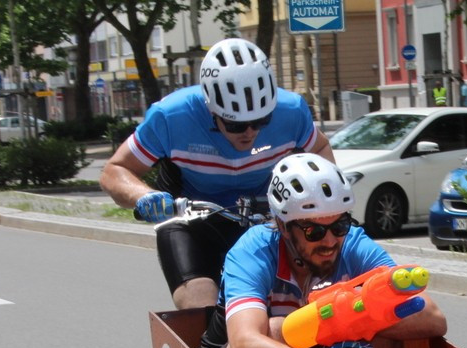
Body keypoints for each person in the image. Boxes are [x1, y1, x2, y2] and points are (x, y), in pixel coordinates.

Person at [100, 38, 335, 310]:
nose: (250, 132)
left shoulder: (291, 110)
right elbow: (114, 170)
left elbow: (319, 148)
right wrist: (144, 195)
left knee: (296, 298)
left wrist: (321, 200)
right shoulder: (171, 116)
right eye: (236, 124)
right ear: (212, 110)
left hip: (260, 216)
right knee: (199, 301)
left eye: (261, 121)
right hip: (189, 217)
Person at [196, 153, 447, 348]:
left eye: (339, 225)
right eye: (314, 232)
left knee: (380, 325)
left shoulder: (354, 244)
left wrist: (349, 317)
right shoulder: (254, 251)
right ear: (284, 227)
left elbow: (433, 318)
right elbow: (244, 346)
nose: (329, 241)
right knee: (275, 331)